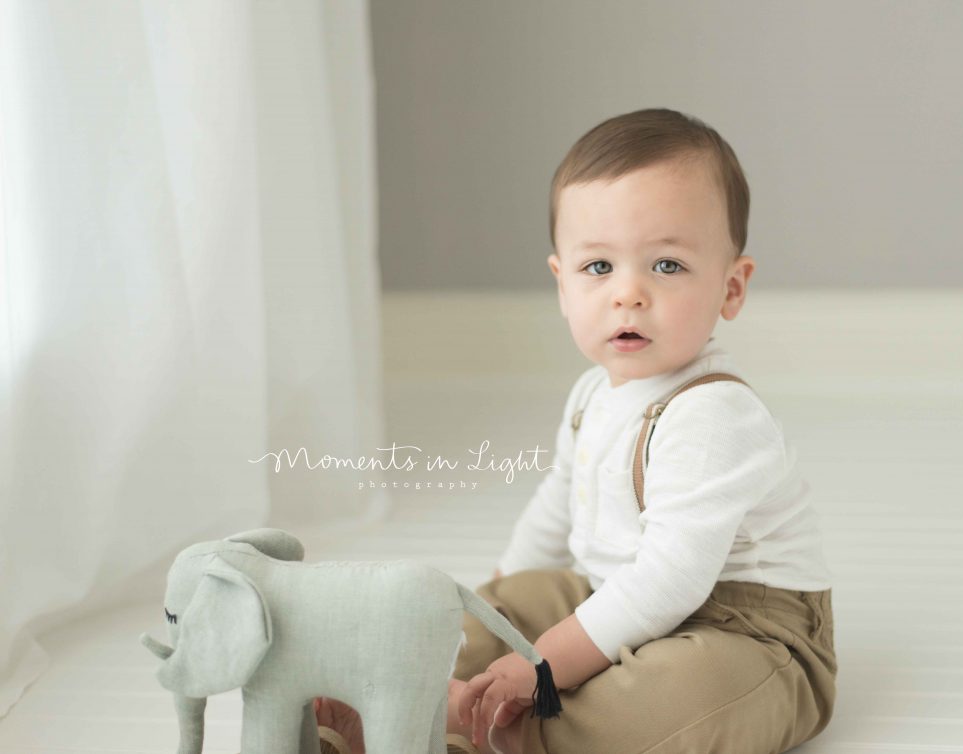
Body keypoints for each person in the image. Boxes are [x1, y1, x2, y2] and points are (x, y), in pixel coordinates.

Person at [315, 107, 837, 754]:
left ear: (731, 288)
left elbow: (670, 582)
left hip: (743, 630)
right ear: (562, 286)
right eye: (598, 268)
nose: (629, 294)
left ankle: (487, 728)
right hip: (610, 593)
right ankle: (405, 690)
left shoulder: (713, 416)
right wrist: (501, 614)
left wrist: (542, 667)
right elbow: (556, 507)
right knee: (507, 602)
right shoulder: (593, 393)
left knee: (682, 696)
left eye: (667, 266)